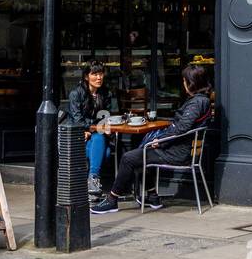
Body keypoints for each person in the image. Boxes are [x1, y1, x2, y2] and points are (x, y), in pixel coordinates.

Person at [92, 63, 212, 214]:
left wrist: (160, 141)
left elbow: (182, 128)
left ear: (192, 83)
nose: (183, 84)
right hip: (181, 150)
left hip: (177, 153)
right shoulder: (202, 100)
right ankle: (153, 196)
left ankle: (112, 200)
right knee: (141, 152)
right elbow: (181, 126)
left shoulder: (197, 103)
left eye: (184, 80)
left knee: (129, 158)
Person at [67, 64, 119, 199]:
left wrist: (97, 128)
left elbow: (106, 117)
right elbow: (78, 120)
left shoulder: (105, 93)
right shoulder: (76, 94)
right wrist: (93, 127)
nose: (99, 77)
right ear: (86, 77)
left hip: (96, 136)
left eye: (101, 74)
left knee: (101, 143)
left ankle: (91, 180)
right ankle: (93, 180)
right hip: (79, 137)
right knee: (105, 152)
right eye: (95, 74)